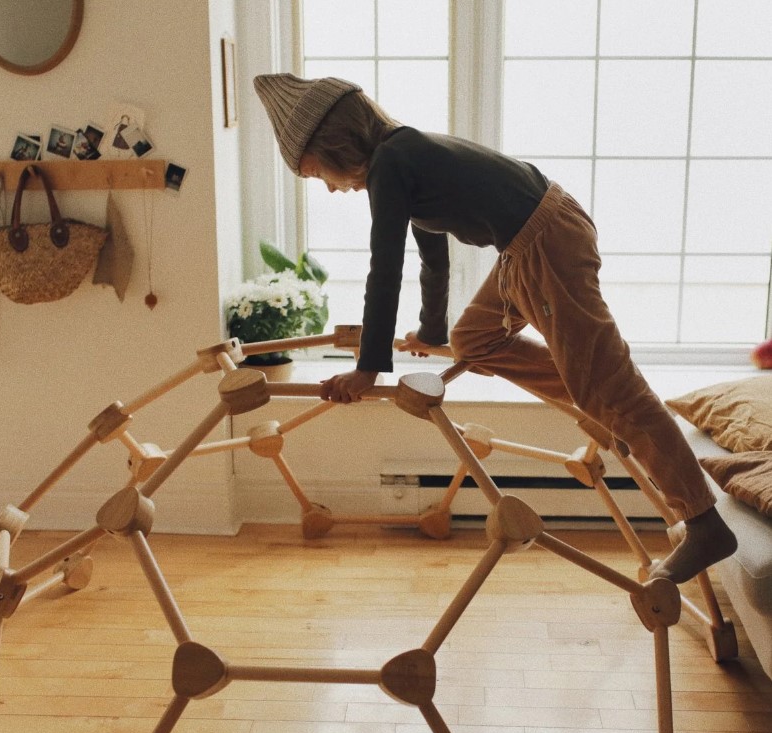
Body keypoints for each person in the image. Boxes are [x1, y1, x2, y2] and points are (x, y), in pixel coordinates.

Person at [253, 72, 737, 585]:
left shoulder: (390, 164)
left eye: (317, 174)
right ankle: (598, 399)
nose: (330, 188)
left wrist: (368, 369)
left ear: (332, 143)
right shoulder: (403, 153)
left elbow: (385, 265)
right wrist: (432, 331)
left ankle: (704, 523)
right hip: (525, 246)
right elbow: (432, 256)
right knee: (475, 340)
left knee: (612, 386)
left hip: (544, 241)